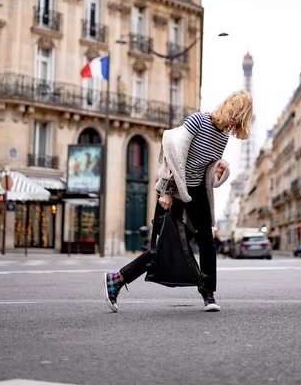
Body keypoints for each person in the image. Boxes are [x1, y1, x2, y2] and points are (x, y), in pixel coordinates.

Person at [103, 90, 253, 313]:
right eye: (233, 110)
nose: (233, 117)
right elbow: (173, 156)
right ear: (226, 104)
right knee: (163, 244)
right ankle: (116, 280)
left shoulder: (223, 137)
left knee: (207, 241)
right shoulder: (198, 120)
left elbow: (204, 172)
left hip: (196, 192)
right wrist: (167, 191)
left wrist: (219, 171)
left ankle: (208, 293)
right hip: (174, 187)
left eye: (239, 115)